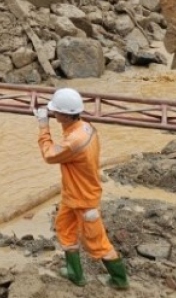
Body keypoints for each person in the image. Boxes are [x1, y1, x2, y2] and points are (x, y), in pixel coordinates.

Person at [35, 88, 129, 290]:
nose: (53, 114)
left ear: (63, 115)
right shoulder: (86, 128)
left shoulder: (74, 142)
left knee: (98, 243)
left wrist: (43, 126)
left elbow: (50, 155)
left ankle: (120, 280)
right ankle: (75, 273)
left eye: (55, 112)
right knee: (64, 229)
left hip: (84, 200)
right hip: (72, 196)